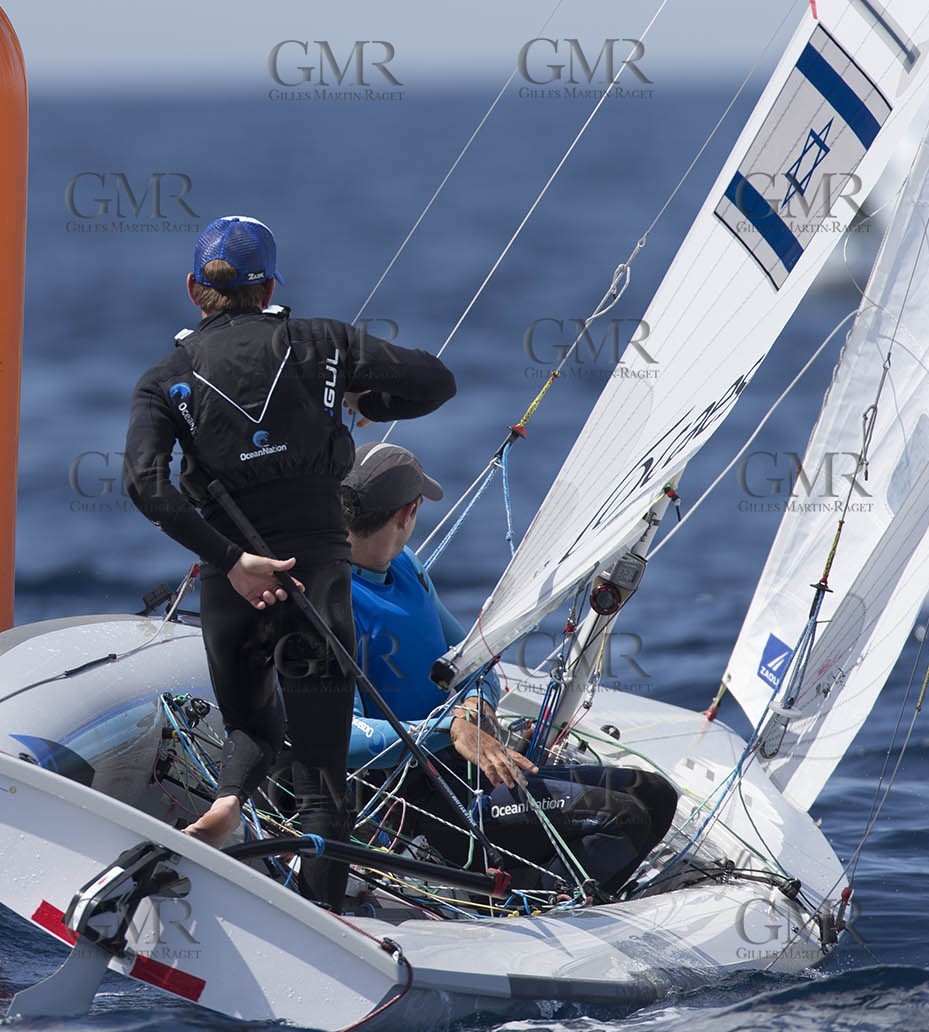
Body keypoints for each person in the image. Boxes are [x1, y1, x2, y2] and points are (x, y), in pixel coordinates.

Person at [123, 216, 457, 911]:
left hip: (233, 585)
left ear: (193, 288)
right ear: (271, 286)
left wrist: (233, 560)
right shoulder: (322, 344)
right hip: (317, 581)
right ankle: (323, 917)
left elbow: (144, 482)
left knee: (251, 725)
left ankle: (229, 800)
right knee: (322, 779)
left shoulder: (165, 378)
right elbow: (437, 381)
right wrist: (364, 398)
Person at [339, 443, 677, 898]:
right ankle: (537, 906)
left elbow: (477, 663)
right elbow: (346, 740)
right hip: (421, 800)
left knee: (654, 793)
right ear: (407, 513)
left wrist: (473, 710)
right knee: (626, 816)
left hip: (475, 771)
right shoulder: (330, 595)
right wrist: (449, 730)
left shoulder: (406, 566)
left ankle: (548, 890)